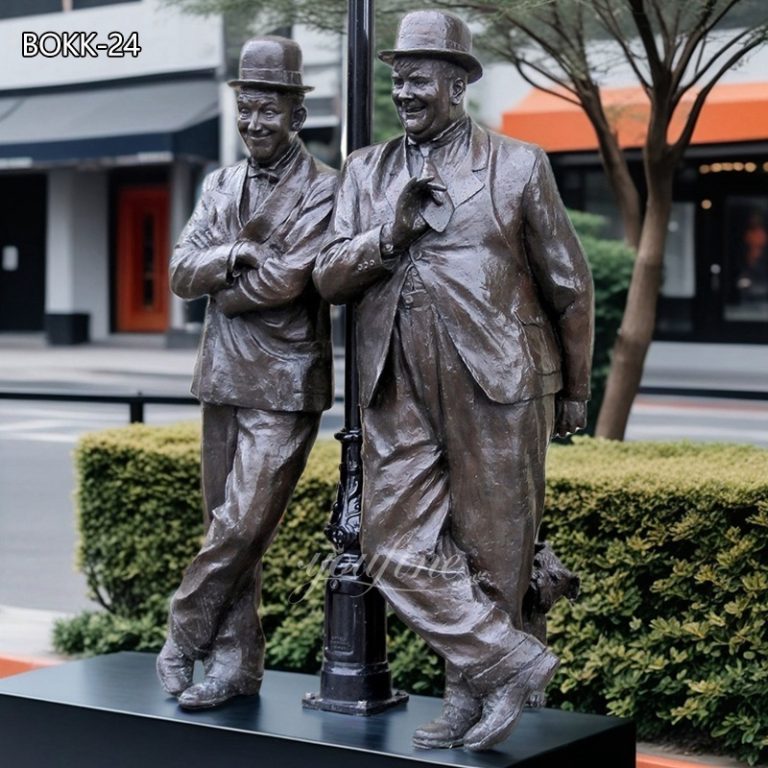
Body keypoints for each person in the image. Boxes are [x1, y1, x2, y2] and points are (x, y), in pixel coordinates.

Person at [313, 10, 593, 752]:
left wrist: (575, 390)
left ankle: (471, 699)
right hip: (396, 380)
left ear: (458, 83)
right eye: (399, 77)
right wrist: (391, 233)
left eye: (421, 77)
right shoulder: (366, 170)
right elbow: (330, 276)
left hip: (498, 377)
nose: (405, 90)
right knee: (389, 545)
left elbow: (569, 284)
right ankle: (511, 660)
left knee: (496, 553)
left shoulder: (518, 164)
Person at [156, 36, 336, 711]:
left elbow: (290, 280)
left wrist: (223, 280)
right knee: (230, 531)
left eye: (268, 110)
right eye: (246, 110)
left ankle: (183, 630)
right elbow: (180, 272)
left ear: (295, 113)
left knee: (242, 525)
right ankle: (236, 666)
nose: (255, 123)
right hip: (223, 374)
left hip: (287, 381)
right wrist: (234, 253)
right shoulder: (219, 184)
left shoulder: (326, 188)